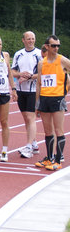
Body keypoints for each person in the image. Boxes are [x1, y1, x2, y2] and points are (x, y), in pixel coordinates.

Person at [35, 35, 70, 171]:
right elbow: (39, 84)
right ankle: (49, 158)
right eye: (53, 46)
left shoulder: (62, 61)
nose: (56, 48)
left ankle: (58, 159)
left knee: (58, 130)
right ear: (47, 47)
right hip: (44, 98)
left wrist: (66, 88)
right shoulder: (41, 63)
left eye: (58, 46)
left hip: (57, 98)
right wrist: (37, 103)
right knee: (48, 131)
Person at [11, 31, 41, 158]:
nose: (31, 41)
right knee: (25, 117)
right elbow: (12, 71)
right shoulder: (19, 54)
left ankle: (28, 146)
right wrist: (20, 75)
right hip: (20, 89)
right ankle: (34, 144)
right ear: (23, 40)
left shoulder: (39, 54)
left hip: (33, 90)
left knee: (31, 117)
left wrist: (29, 77)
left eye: (33, 39)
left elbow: (43, 73)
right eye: (28, 39)